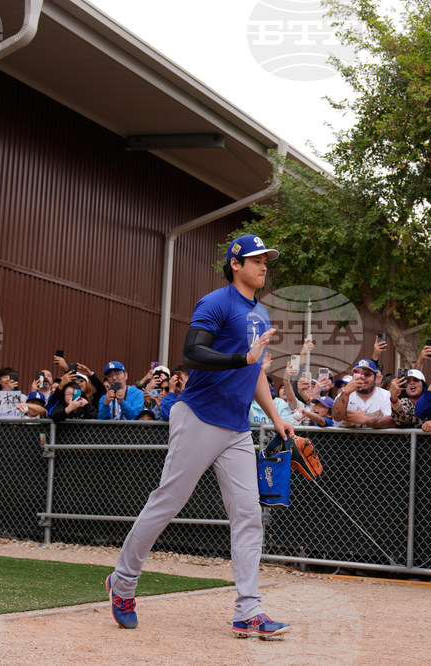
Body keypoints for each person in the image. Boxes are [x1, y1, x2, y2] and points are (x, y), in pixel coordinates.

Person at [106, 234, 293, 637]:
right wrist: (240, 357)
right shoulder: (216, 302)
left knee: (248, 516)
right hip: (199, 417)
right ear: (236, 263)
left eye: (266, 260)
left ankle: (248, 611)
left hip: (238, 427)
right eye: (257, 259)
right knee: (167, 502)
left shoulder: (260, 312)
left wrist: (276, 417)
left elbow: (255, 371)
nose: (264, 266)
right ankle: (122, 583)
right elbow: (192, 353)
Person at [330, 359, 395, 428]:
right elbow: (337, 417)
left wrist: (365, 419)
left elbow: (392, 421)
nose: (362, 377)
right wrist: (346, 392)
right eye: (358, 373)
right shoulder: (344, 394)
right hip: (346, 438)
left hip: (375, 438)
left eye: (367, 374)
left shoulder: (385, 395)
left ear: (375, 378)